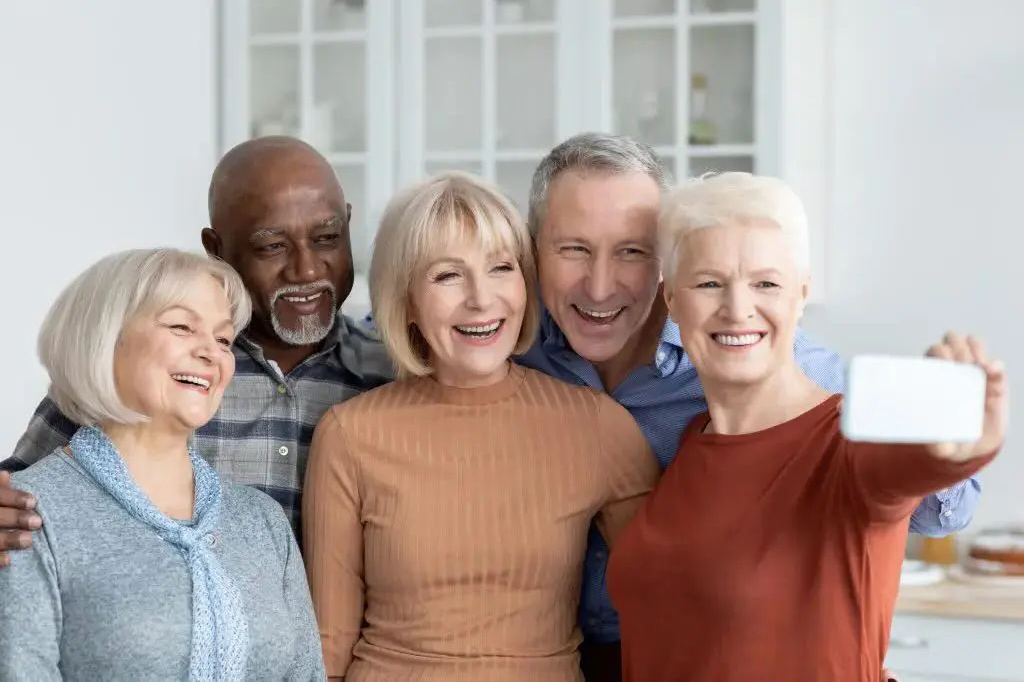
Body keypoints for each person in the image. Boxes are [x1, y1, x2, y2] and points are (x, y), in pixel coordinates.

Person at [515, 132, 982, 681]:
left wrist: (939, 434)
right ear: (532, 251)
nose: (598, 286)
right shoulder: (514, 347)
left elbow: (912, 486)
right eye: (573, 249)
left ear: (662, 269)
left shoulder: (766, 357)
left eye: (632, 251)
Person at [302, 170, 660, 681]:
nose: (481, 298)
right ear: (405, 302)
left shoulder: (597, 426)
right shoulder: (349, 435)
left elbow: (671, 606)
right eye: (448, 275)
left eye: (500, 268)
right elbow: (329, 648)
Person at [0, 136, 392, 562]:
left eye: (326, 237)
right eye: (272, 246)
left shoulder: (390, 372)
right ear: (216, 249)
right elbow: (24, 495)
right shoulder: (156, 373)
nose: (307, 268)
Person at [0, 248, 325, 680]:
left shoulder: (263, 522)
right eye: (181, 327)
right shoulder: (27, 519)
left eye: (224, 339)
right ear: (104, 338)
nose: (212, 353)